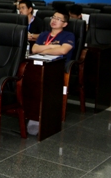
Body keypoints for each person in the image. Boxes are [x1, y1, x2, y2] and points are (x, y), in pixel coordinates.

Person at [28, 8, 76, 136]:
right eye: (53, 17)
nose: (54, 20)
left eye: (58, 19)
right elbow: (34, 49)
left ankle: (36, 117)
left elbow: (63, 51)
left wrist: (43, 50)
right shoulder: (44, 34)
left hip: (57, 68)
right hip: (39, 65)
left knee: (41, 83)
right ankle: (30, 112)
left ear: (65, 24)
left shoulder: (68, 35)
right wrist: (51, 46)